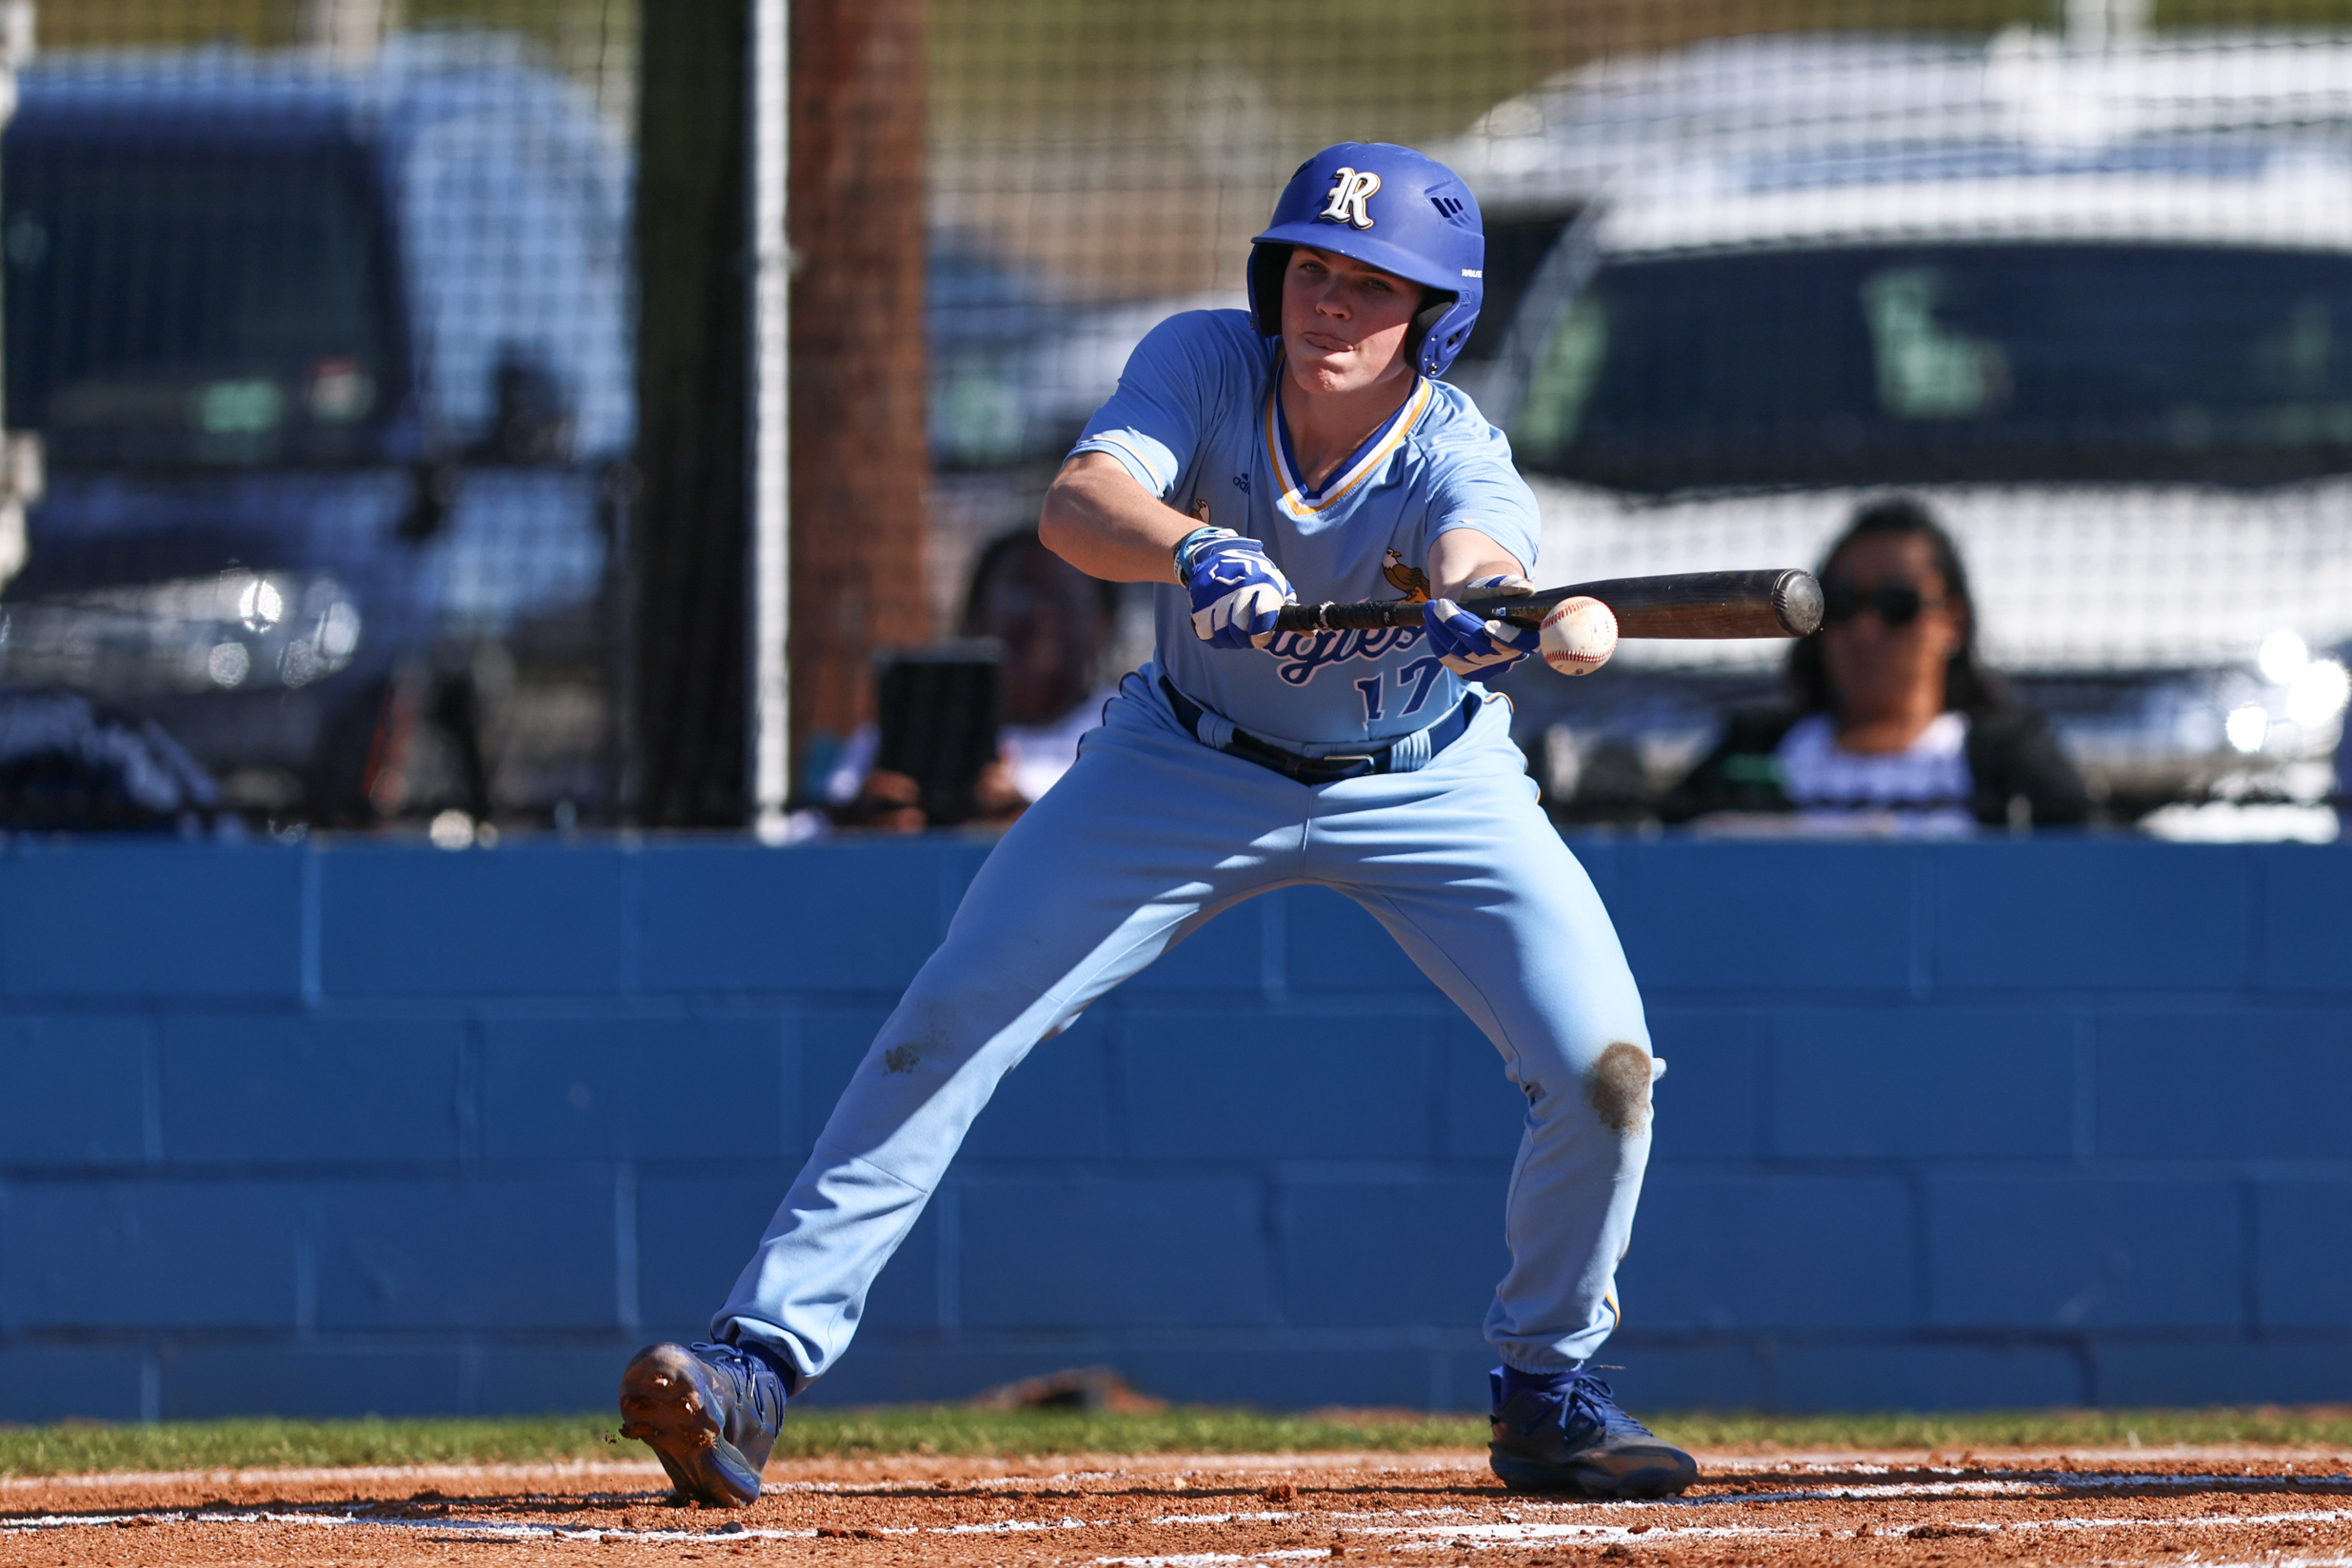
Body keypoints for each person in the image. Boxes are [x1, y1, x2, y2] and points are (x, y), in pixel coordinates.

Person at [616, 143, 1696, 1506]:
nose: (1331, 304)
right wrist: (1191, 542)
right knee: (948, 1022)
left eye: (1374, 286)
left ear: (1435, 314)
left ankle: (1547, 1388)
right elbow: (1080, 503)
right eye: (1313, 268)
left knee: (1605, 1071)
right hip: (1181, 767)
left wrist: (1484, 600)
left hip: (1428, 779)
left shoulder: (1453, 451)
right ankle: (751, 1365)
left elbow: (1486, 552)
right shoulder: (1202, 362)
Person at [1664, 496, 2091, 831]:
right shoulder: (1751, 754)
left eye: (1897, 605)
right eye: (1843, 604)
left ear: (1952, 621)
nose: (1865, 631)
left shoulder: (2009, 765)